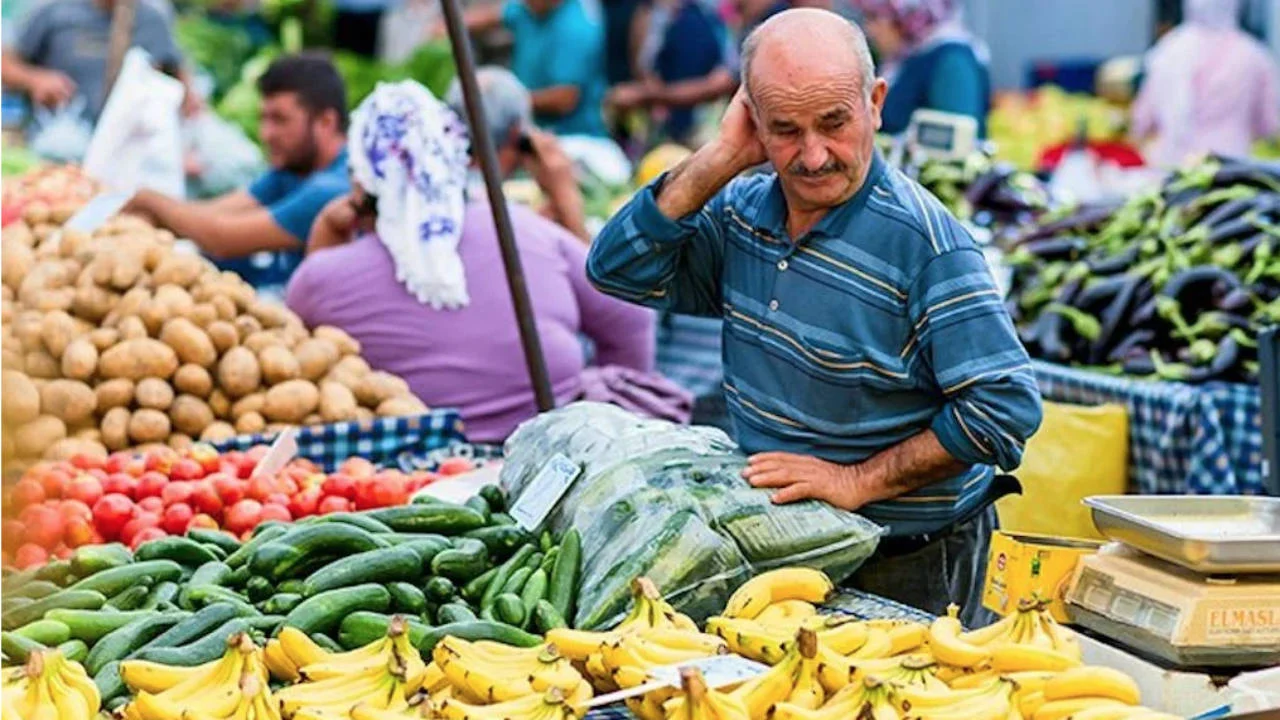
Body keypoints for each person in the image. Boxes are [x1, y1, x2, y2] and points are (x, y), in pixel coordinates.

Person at [587, 9, 1042, 625]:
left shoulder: (927, 246)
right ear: (751, 119)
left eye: (834, 123)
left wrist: (857, 480)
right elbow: (616, 268)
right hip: (782, 555)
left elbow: (1004, 409)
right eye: (784, 130)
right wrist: (722, 157)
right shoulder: (742, 214)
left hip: (910, 566)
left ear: (875, 103)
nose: (814, 155)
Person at [288, 81, 677, 443]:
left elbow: (305, 357)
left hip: (409, 473)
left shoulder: (321, 277)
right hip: (548, 451)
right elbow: (631, 313)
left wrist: (326, 231)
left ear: (362, 178)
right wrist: (610, 423)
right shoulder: (520, 228)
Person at [123, 54, 350, 295]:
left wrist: (147, 198)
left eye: (280, 120)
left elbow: (223, 239)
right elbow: (212, 214)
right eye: (263, 118)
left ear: (326, 122)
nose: (266, 134)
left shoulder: (334, 189)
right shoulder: (291, 169)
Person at [445, 67, 591, 243]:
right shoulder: (510, 218)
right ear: (517, 132)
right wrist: (565, 197)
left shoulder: (439, 192)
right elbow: (588, 266)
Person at [1131, 0, 1280, 168]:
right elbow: (1269, 126)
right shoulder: (1254, 57)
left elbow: (1142, 122)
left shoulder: (1166, 52)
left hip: (1171, 169)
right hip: (1228, 169)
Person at [2, 0, 201, 118]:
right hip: (62, 128)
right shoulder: (51, 8)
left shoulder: (153, 13)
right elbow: (5, 63)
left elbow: (174, 66)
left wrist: (188, 98)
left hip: (131, 137)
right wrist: (35, 79)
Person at [451, 0, 609, 137]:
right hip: (528, 129)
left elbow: (564, 99)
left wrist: (502, 100)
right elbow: (489, 17)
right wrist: (444, 28)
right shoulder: (528, 10)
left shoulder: (576, 28)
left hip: (571, 138)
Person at [606, 0, 738, 145]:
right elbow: (643, 63)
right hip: (657, 130)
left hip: (704, 133)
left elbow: (722, 83)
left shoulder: (714, 14)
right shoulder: (651, 11)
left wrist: (647, 95)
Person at [852, 0, 990, 137]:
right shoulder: (902, 59)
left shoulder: (952, 61)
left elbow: (956, 143)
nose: (869, 30)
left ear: (905, 17)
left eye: (874, 17)